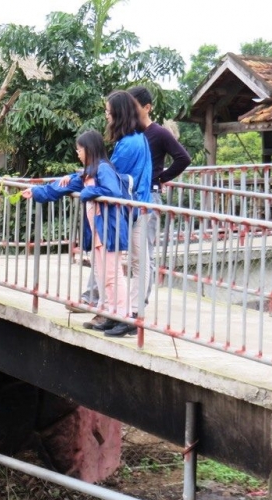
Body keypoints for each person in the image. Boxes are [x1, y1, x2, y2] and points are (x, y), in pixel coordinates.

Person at [22, 130, 131, 330]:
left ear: (89, 149)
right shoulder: (87, 173)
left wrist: (87, 192)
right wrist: (36, 192)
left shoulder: (104, 169)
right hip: (99, 231)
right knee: (102, 273)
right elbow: (60, 188)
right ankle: (109, 313)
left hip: (110, 229)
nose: (77, 153)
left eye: (79, 149)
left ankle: (124, 317)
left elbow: (112, 191)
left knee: (112, 274)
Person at [127, 85, 191, 297]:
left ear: (147, 107)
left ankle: (141, 302)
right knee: (132, 251)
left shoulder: (160, 133)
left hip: (150, 196)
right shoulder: (131, 133)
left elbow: (183, 158)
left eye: (134, 107)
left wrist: (162, 177)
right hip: (131, 196)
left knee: (145, 251)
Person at [99, 89, 153, 337]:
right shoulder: (133, 138)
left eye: (109, 112)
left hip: (134, 209)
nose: (107, 116)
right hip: (136, 207)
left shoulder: (129, 143)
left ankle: (132, 315)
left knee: (135, 263)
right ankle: (123, 312)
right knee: (132, 263)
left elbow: (109, 175)